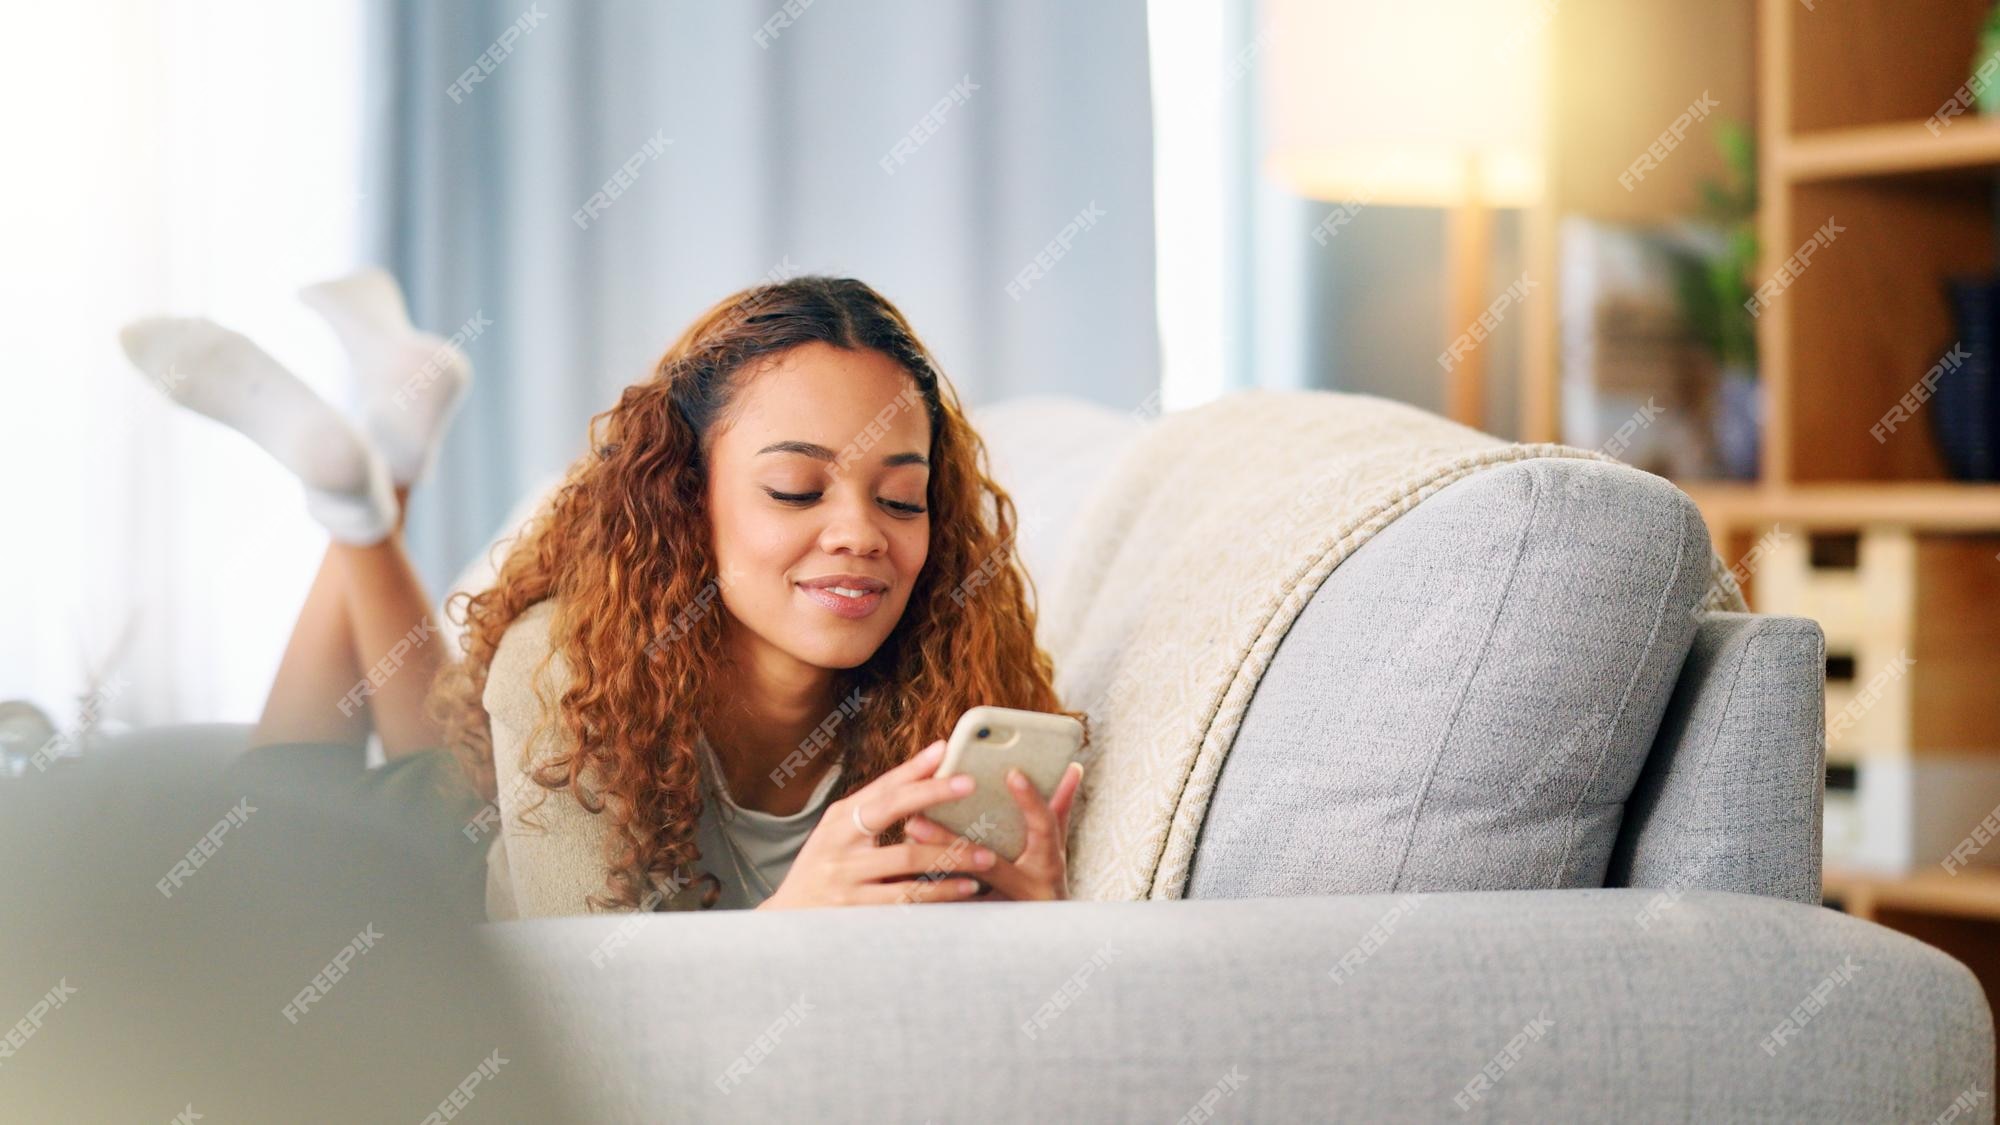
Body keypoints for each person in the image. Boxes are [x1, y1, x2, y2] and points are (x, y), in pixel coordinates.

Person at [120, 271, 1085, 920]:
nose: (860, 534)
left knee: (459, 758)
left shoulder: (947, 681)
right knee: (268, 816)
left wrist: (1033, 922)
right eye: (796, 488)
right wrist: (791, 927)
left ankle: (364, 483)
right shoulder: (570, 664)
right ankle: (353, 497)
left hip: (497, 806)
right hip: (411, 894)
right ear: (686, 495)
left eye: (901, 497)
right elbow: (585, 1020)